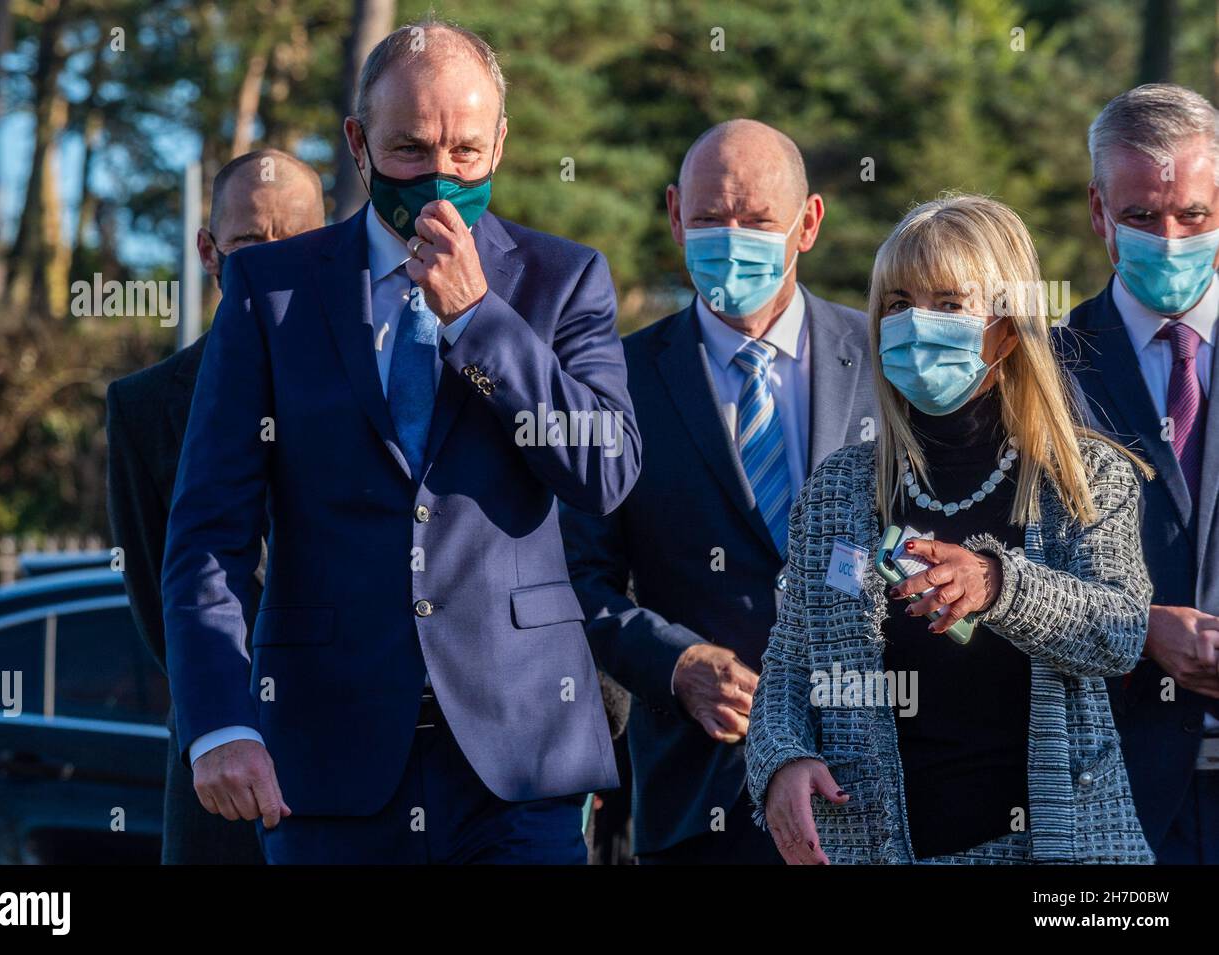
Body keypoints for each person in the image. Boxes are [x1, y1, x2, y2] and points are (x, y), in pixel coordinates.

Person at [160, 18, 640, 865]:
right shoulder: (270, 292)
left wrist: (481, 319)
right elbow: (209, 534)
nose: (442, 177)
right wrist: (221, 720)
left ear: (501, 141)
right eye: (413, 150)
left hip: (520, 762)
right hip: (324, 756)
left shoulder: (564, 279)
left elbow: (604, 469)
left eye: (466, 150)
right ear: (359, 142)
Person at [746, 194, 1155, 864]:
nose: (915, 324)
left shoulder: (1085, 477)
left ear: (1008, 322)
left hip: (1056, 855)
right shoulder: (840, 488)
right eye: (899, 302)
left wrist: (999, 587)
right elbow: (792, 661)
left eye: (947, 302)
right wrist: (782, 759)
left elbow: (1120, 631)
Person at [562, 119, 877, 864]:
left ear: (809, 223)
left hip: (875, 786)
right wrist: (673, 663)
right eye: (708, 219)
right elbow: (577, 576)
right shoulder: (615, 380)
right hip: (699, 795)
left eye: (758, 220)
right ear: (674, 215)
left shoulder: (884, 360)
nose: (731, 239)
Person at [106, 147, 325, 864]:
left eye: (293, 242)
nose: (272, 264)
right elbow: (159, 595)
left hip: (367, 754)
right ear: (208, 251)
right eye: (249, 244)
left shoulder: (386, 378)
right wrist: (228, 719)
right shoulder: (144, 407)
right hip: (222, 770)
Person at [1058, 83, 1219, 863]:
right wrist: (1137, 626)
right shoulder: (1043, 374)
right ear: (1098, 212)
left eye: (1194, 215)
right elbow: (998, 566)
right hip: (1109, 790)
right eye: (1141, 217)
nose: (1170, 238)